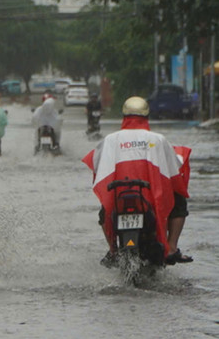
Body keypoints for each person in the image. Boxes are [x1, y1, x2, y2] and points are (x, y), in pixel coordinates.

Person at [82, 95, 193, 264]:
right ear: (146, 117)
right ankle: (171, 248)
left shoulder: (111, 139)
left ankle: (112, 250)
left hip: (119, 194)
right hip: (151, 195)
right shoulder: (158, 139)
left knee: (105, 210)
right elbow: (173, 170)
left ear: (124, 117)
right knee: (179, 201)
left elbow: (97, 165)